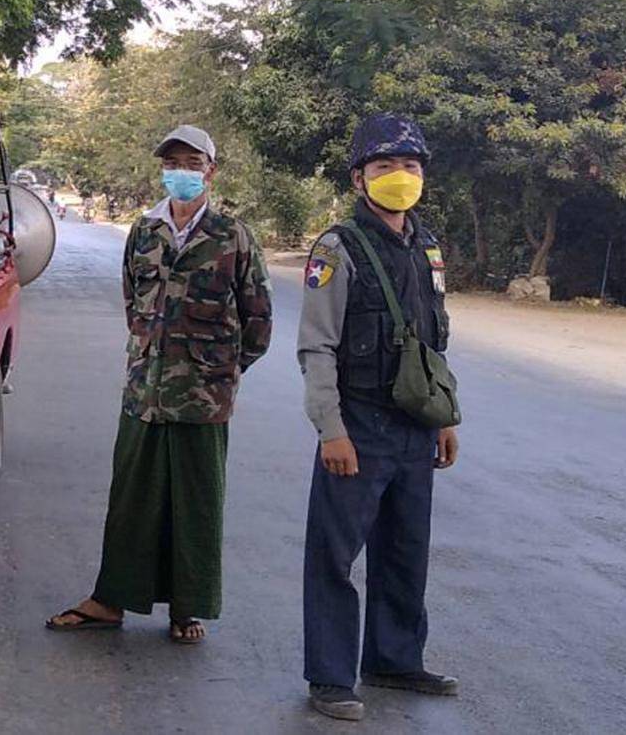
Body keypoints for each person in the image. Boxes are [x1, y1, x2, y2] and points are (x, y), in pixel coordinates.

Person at [47, 125, 273, 644]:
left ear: (210, 170)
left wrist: (218, 371)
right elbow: (134, 303)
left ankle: (186, 608)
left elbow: (258, 319)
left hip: (203, 397)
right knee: (131, 497)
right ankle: (109, 601)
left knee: (195, 502)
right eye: (172, 163)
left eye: (191, 163)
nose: (181, 172)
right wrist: (152, 355)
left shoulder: (233, 235)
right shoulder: (144, 231)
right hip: (144, 390)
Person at [297, 113, 461, 722]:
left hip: (415, 429)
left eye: (410, 166)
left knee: (405, 549)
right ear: (360, 179)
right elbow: (316, 345)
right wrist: (330, 429)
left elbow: (432, 343)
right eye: (385, 166)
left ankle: (394, 659)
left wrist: (445, 417)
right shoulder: (337, 248)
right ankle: (331, 676)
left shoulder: (427, 246)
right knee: (335, 555)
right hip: (359, 426)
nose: (400, 177)